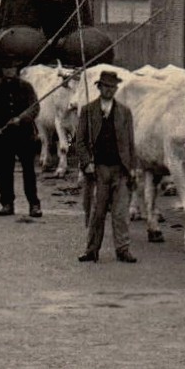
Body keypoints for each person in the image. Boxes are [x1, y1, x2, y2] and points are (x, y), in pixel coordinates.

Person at [73, 72, 139, 262]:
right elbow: (79, 142)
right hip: (98, 170)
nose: (109, 90)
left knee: (120, 213)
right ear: (99, 87)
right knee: (97, 212)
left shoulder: (125, 112)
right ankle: (92, 250)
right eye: (106, 86)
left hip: (121, 169)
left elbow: (130, 143)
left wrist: (132, 167)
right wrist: (87, 163)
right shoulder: (87, 110)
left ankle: (123, 249)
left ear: (116, 89)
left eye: (112, 87)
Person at [0, 60, 43, 218]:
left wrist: (22, 119)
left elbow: (35, 108)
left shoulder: (26, 87)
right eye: (6, 68)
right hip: (4, 137)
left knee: (29, 172)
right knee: (4, 171)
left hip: (24, 135)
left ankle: (34, 204)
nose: (9, 71)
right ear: (2, 70)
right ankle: (7, 203)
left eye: (12, 68)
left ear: (16, 69)